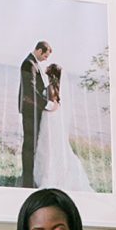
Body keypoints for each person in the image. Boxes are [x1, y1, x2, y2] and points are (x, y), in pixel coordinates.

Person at [33, 62, 92, 193]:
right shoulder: (58, 87)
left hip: (49, 120)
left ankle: (48, 175)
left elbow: (52, 104)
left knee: (48, 146)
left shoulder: (50, 88)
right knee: (53, 146)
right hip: (54, 120)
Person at [18, 39, 51, 189]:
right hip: (30, 110)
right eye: (45, 56)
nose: (45, 59)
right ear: (39, 51)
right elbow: (30, 90)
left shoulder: (34, 64)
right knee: (29, 145)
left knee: (33, 144)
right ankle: (27, 180)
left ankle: (29, 176)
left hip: (34, 110)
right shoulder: (29, 64)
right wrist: (47, 104)